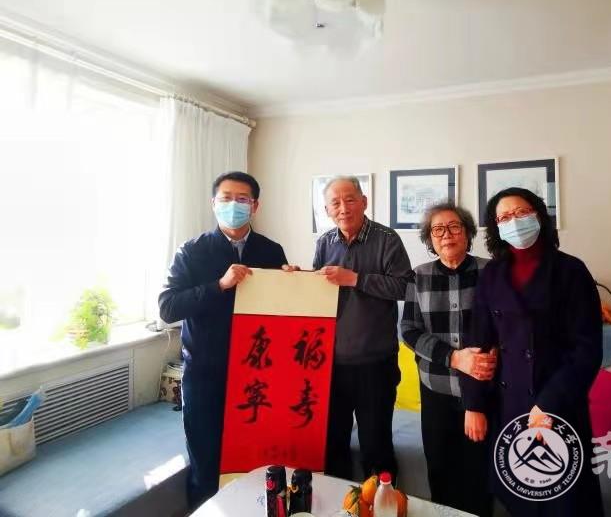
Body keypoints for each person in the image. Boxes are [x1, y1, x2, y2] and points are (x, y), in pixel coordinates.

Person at [461, 187, 604, 517]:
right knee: (521, 495)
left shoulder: (571, 271)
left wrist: (549, 402)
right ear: (496, 228)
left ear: (539, 215)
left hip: (559, 403)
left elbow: (587, 349)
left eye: (521, 213)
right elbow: (478, 343)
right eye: (504, 217)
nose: (514, 221)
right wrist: (474, 403)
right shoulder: (492, 274)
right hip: (508, 403)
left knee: (564, 498)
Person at [158, 171, 288, 509]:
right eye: (226, 198)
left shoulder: (271, 251)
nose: (233, 205)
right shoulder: (191, 251)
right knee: (206, 461)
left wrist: (293, 282)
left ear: (255, 206)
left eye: (242, 199)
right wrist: (219, 286)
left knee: (258, 459)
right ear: (214, 203)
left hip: (258, 374)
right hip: (206, 374)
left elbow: (284, 311)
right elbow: (168, 307)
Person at [312, 176, 414, 481]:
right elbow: (316, 291)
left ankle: (383, 502)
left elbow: (405, 287)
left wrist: (356, 279)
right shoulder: (325, 242)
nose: (343, 208)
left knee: (376, 446)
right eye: (335, 203)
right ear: (327, 210)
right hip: (332, 364)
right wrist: (296, 277)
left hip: (375, 363)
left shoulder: (387, 239)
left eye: (350, 199)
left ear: (364, 202)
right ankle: (339, 502)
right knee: (333, 444)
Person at [400, 202, 495, 517]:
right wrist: (453, 358)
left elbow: (506, 324)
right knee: (440, 470)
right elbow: (408, 330)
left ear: (467, 233)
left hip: (482, 390)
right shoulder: (419, 276)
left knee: (479, 473)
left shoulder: (491, 272)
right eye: (438, 230)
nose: (447, 235)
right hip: (436, 389)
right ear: (430, 239)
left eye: (454, 227)